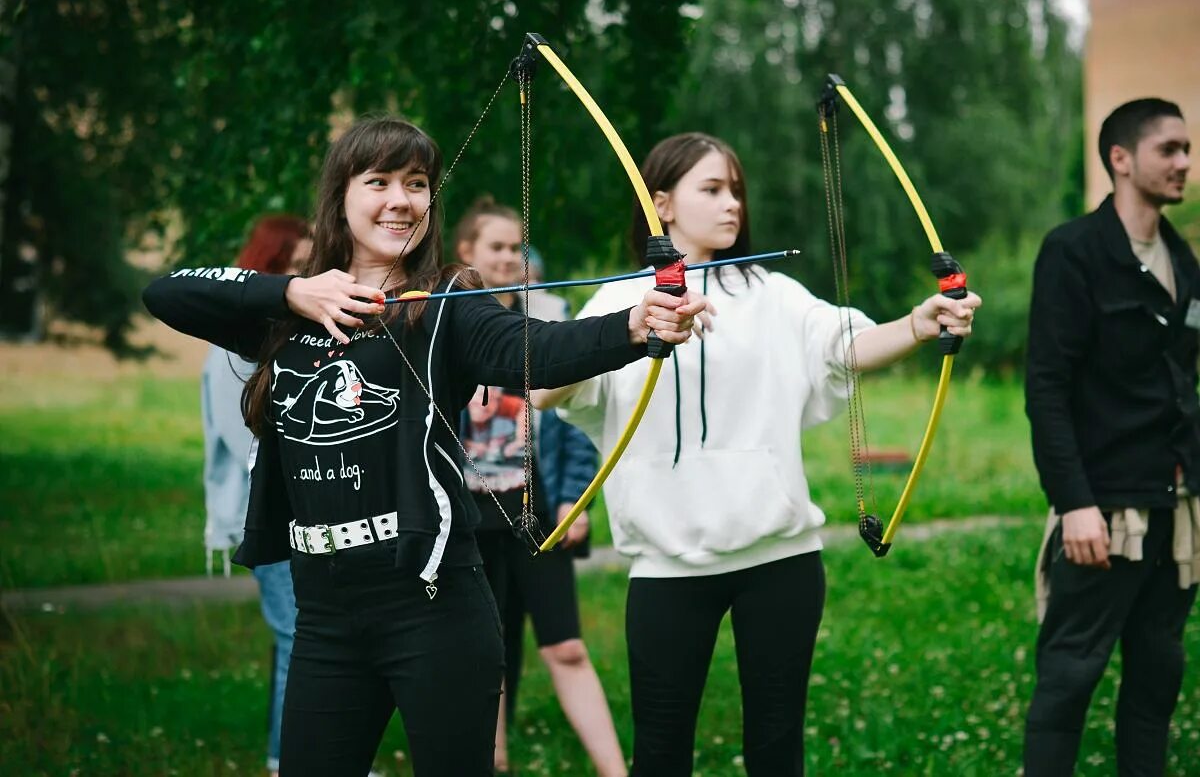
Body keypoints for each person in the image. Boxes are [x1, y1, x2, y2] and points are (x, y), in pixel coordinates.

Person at [141, 115, 705, 777]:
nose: (400, 199)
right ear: (340, 195)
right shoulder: (289, 311)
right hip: (324, 614)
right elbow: (166, 293)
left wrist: (640, 321)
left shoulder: (448, 302)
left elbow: (542, 352)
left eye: (416, 183)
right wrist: (295, 290)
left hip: (432, 606)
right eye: (377, 181)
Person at [534, 132, 981, 776]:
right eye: (712, 189)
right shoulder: (618, 302)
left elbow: (847, 346)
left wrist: (918, 323)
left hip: (780, 561)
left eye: (736, 190)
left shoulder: (772, 294)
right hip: (667, 566)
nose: (732, 205)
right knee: (661, 754)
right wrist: (638, 327)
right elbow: (547, 390)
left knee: (777, 748)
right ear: (661, 204)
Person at [1024, 98, 1198, 776]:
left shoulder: (1183, 262)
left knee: (1159, 675)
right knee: (1069, 676)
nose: (1185, 164)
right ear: (1122, 160)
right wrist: (1074, 502)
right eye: (1170, 150)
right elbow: (1047, 389)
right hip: (1103, 508)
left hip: (1178, 506)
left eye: (1187, 150)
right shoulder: (1073, 252)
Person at [452, 197, 626, 776]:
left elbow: (575, 424)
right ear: (466, 254)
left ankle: (614, 770)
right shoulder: (445, 321)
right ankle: (493, 763)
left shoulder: (549, 320)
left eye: (515, 248)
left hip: (535, 505)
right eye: (495, 248)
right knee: (486, 655)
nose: (508, 258)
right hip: (470, 516)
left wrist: (576, 496)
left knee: (566, 645)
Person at [201, 214, 311, 777]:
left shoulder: (295, 336)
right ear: (270, 270)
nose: (311, 277)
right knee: (298, 635)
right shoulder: (239, 346)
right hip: (266, 513)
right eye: (296, 267)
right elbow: (243, 436)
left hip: (305, 509)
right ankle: (285, 759)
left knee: (302, 634)